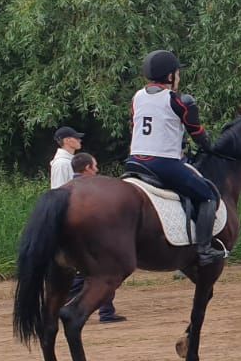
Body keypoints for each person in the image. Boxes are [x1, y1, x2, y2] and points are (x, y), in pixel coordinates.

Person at [127, 49, 225, 266]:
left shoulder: (137, 97)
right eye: (177, 73)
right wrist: (210, 148)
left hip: (134, 161)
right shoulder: (180, 101)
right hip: (162, 163)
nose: (179, 77)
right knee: (207, 196)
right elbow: (196, 132)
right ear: (170, 76)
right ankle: (205, 250)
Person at [57, 151, 125, 322]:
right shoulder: (93, 189)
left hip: (73, 240)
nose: (97, 169)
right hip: (91, 240)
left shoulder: (68, 187)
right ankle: (105, 312)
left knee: (87, 274)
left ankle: (105, 311)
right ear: (87, 168)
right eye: (95, 166)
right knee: (102, 272)